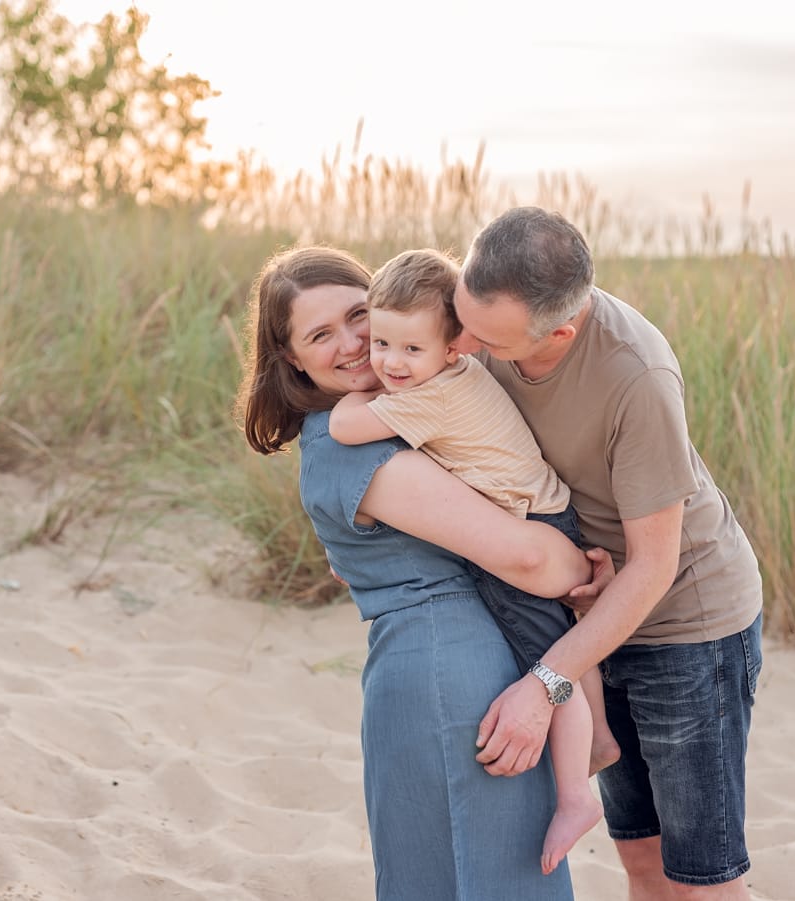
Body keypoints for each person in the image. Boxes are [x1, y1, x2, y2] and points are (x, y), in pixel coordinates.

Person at [235, 245, 611, 899]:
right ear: (292, 357)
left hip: (462, 668)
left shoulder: (412, 407)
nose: (355, 344)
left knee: (448, 874)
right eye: (321, 334)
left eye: (359, 316)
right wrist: (591, 572)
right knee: (489, 874)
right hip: (452, 675)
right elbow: (525, 556)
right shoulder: (355, 437)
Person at [453, 207, 765, 900]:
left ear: (561, 330)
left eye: (486, 338)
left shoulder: (637, 375)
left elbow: (653, 566)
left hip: (688, 629)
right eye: (462, 316)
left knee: (703, 884)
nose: (463, 342)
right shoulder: (477, 316)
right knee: (643, 862)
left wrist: (546, 684)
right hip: (593, 614)